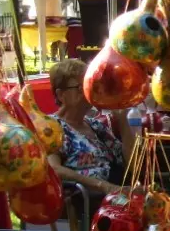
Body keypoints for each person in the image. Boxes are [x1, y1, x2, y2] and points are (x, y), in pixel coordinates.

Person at [47, 59, 135, 198]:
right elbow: (53, 169)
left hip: (116, 196)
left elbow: (133, 165)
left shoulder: (95, 126)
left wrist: (122, 118)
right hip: (85, 203)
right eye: (81, 87)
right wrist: (103, 186)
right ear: (61, 95)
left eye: (90, 85)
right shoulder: (51, 127)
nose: (89, 92)